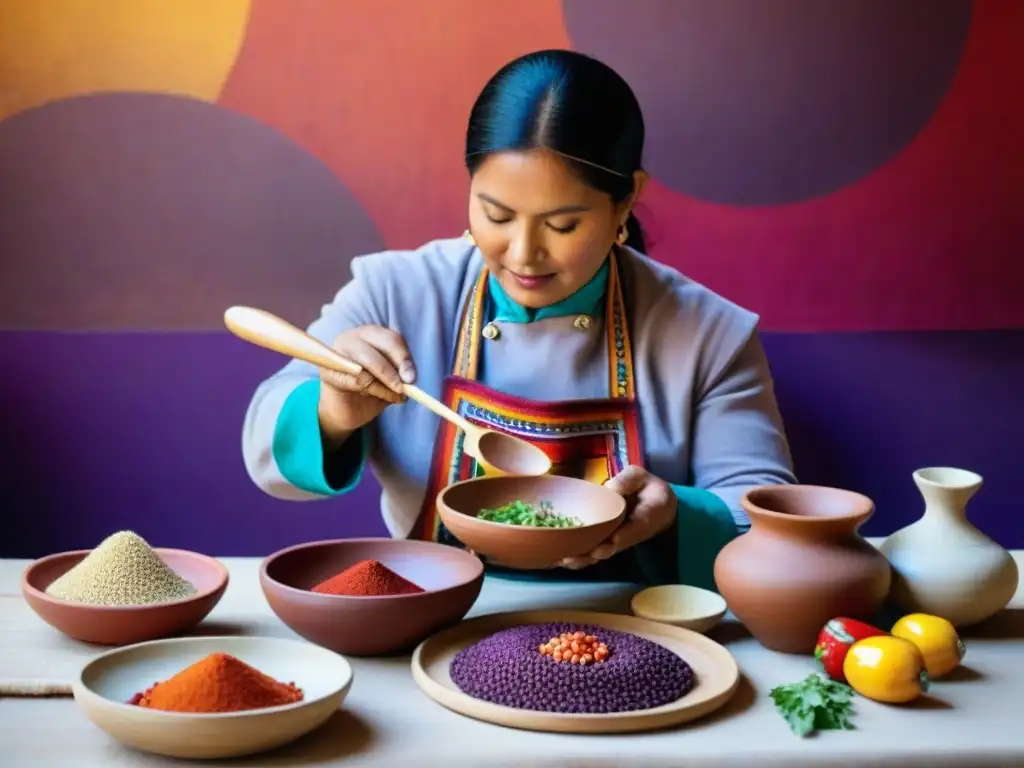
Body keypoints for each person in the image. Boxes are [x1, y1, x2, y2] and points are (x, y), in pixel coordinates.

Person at [241, 49, 796, 590]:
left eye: (562, 226)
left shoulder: (709, 334)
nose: (523, 254)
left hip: (636, 624)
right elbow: (266, 450)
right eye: (496, 215)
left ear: (626, 203)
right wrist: (334, 411)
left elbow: (766, 517)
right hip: (434, 614)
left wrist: (676, 512)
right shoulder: (395, 292)